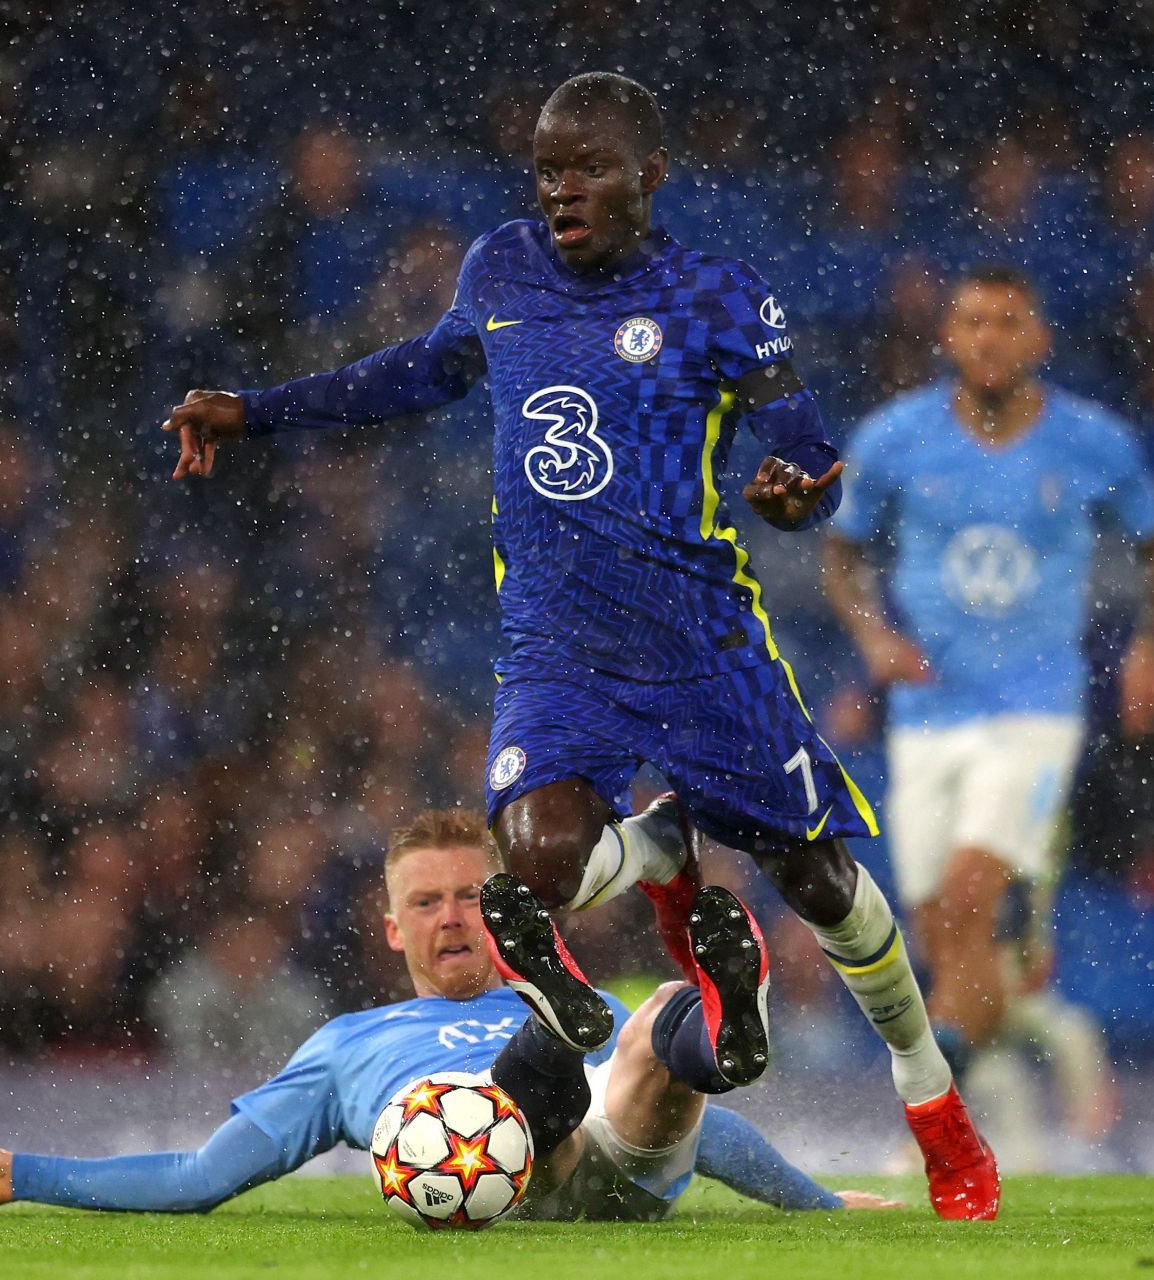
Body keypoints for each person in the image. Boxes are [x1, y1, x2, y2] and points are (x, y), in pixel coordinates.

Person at [159, 72, 996, 1218]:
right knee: (534, 857)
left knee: (821, 881)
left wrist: (794, 496)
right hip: (558, 649)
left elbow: (814, 468)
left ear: (651, 176)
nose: (562, 191)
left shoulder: (716, 296)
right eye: (548, 170)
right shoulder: (500, 271)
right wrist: (255, 410)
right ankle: (645, 871)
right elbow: (416, 371)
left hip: (703, 645)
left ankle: (929, 1092)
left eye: (589, 168)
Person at [0, 810, 896, 1221]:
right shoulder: (344, 1047)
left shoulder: (499, 996)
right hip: (488, 1180)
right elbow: (201, 1176)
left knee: (663, 1012)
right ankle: (565, 1036)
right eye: (428, 901)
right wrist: (21, 1173)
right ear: (388, 926)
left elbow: (709, 1133)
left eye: (475, 897)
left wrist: (822, 1205)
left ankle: (714, 1029)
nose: (453, 916)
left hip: (616, 1154)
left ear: (507, 911)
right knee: (580, 1046)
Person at [822, 265, 1154, 1096]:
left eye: (1008, 322)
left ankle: (936, 1105)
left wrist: (1150, 647)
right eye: (974, 321)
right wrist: (874, 638)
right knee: (937, 931)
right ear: (948, 337)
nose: (989, 337)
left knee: (968, 895)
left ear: (1040, 339)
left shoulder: (1092, 440)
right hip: (927, 709)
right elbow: (842, 553)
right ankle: (1008, 1068)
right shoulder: (892, 440)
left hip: (1035, 706)